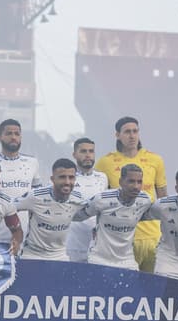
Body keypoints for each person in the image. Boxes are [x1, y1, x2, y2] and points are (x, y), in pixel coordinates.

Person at [94, 116, 167, 272]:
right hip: (121, 240)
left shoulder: (155, 160)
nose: (132, 136)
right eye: (127, 132)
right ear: (117, 135)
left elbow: (164, 201)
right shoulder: (105, 163)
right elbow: (99, 203)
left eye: (135, 131)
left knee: (153, 291)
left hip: (153, 237)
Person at [73, 164, 153, 271]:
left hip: (127, 261)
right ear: (120, 182)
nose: (136, 186)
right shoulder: (102, 199)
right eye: (131, 181)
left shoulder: (145, 200)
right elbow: (77, 216)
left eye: (139, 182)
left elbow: (162, 212)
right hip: (99, 259)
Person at [0, 118, 41, 243]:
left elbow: (37, 197)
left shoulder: (32, 162)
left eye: (17, 134)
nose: (13, 137)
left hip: (24, 237)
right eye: (9, 133)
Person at [15, 158, 86, 261]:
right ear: (52, 179)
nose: (67, 182)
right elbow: (8, 207)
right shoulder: (35, 196)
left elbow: (95, 209)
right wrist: (15, 231)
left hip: (60, 256)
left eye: (71, 177)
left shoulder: (78, 199)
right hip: (32, 255)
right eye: (62, 177)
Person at [66, 138, 108, 262]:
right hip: (72, 244)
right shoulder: (67, 178)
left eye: (91, 151)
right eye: (83, 151)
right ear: (74, 154)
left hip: (96, 246)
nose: (88, 155)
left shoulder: (102, 178)